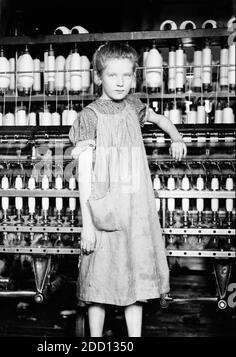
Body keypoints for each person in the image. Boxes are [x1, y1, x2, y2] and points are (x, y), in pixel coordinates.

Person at [69, 42, 187, 337]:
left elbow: (159, 119)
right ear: (98, 77)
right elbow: (84, 173)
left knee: (136, 277)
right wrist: (88, 226)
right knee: (99, 280)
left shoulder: (134, 107)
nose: (120, 82)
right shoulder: (90, 116)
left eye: (126, 75)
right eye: (112, 76)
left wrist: (176, 137)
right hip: (103, 207)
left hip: (135, 208)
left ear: (134, 77)